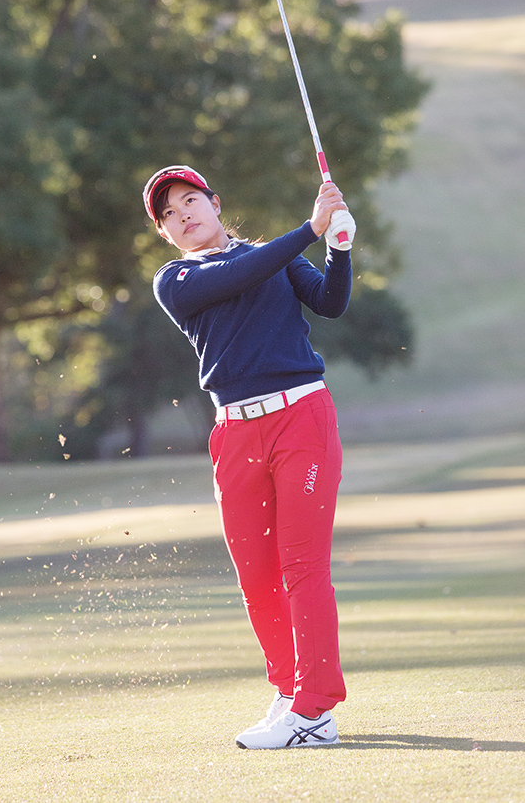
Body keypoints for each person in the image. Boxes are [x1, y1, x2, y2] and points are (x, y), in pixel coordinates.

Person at [143, 164, 356, 750]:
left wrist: (338, 247)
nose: (182, 214)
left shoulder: (274, 255)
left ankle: (313, 711)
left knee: (301, 566)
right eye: (168, 214)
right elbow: (236, 277)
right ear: (165, 234)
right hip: (235, 434)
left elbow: (330, 303)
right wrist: (309, 229)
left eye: (190, 200)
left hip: (300, 419)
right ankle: (290, 693)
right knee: (257, 577)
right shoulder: (176, 279)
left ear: (215, 202)